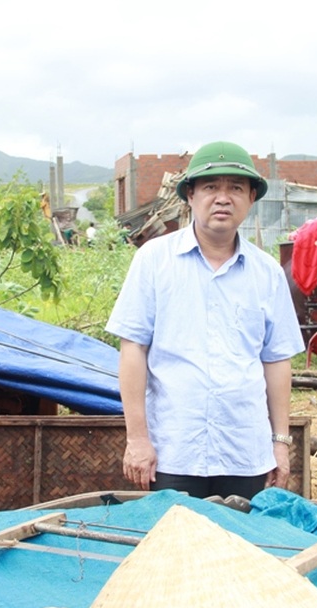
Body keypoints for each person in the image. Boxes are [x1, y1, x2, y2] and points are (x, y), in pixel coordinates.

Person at [105, 141, 304, 500]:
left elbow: (276, 361)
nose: (223, 198)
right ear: (191, 196)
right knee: (175, 549)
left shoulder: (267, 273)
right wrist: (137, 438)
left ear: (251, 199)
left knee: (240, 548)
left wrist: (280, 443)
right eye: (211, 187)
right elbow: (133, 349)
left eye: (236, 188)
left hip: (245, 451)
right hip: (174, 450)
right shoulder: (154, 261)